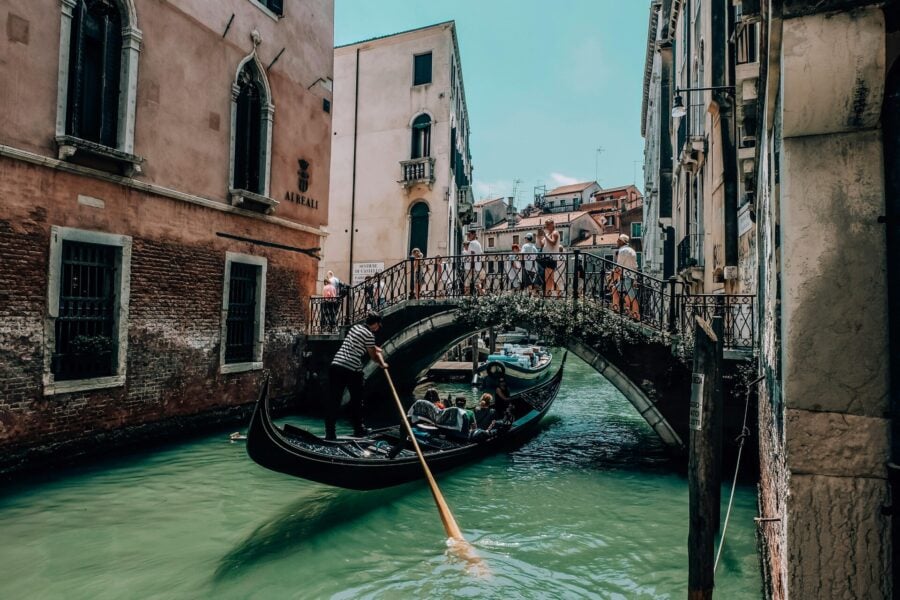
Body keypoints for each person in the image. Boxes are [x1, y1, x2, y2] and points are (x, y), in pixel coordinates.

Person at [326, 312, 388, 440]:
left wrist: (374, 347)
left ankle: (330, 433)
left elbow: (359, 343)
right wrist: (382, 363)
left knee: (334, 401)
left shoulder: (355, 328)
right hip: (351, 369)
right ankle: (359, 429)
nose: (378, 328)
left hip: (336, 365)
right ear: (375, 324)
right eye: (378, 325)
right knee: (357, 401)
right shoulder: (369, 335)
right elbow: (373, 356)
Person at [613, 234, 640, 319]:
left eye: (618, 240)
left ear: (622, 241)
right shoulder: (632, 250)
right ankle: (616, 307)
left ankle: (636, 315)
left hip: (627, 278)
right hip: (630, 277)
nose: (617, 241)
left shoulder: (622, 251)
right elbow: (635, 266)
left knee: (632, 298)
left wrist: (612, 280)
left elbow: (618, 267)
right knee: (615, 289)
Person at [539, 218, 561, 297]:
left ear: (552, 224)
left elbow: (553, 243)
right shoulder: (547, 234)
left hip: (551, 258)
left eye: (548, 224)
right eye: (546, 225)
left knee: (548, 278)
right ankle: (557, 293)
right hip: (547, 257)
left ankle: (547, 295)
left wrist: (544, 235)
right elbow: (541, 245)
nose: (547, 226)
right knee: (550, 278)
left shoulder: (555, 233)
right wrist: (539, 236)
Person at [465, 230, 486, 295]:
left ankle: (466, 297)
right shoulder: (478, 243)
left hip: (471, 267)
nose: (468, 236)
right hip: (477, 266)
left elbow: (472, 255)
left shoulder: (472, 243)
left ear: (474, 235)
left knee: (468, 283)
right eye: (468, 235)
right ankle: (483, 294)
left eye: (469, 235)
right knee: (475, 283)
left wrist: (472, 267)